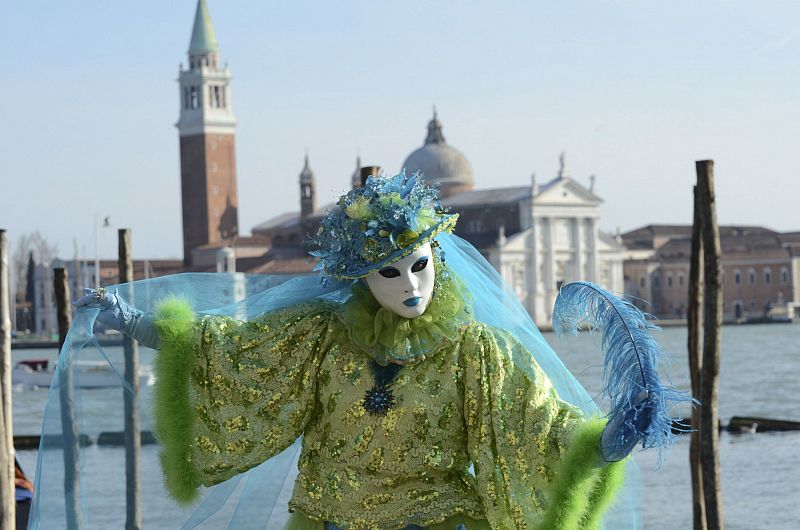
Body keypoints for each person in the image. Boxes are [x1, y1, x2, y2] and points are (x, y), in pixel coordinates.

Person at [49, 172, 684, 529]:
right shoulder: (321, 338)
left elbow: (538, 427)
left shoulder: (477, 352)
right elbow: (233, 352)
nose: (410, 286)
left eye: (419, 265)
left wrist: (607, 441)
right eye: (388, 273)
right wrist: (130, 321)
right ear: (360, 279)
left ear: (438, 256)